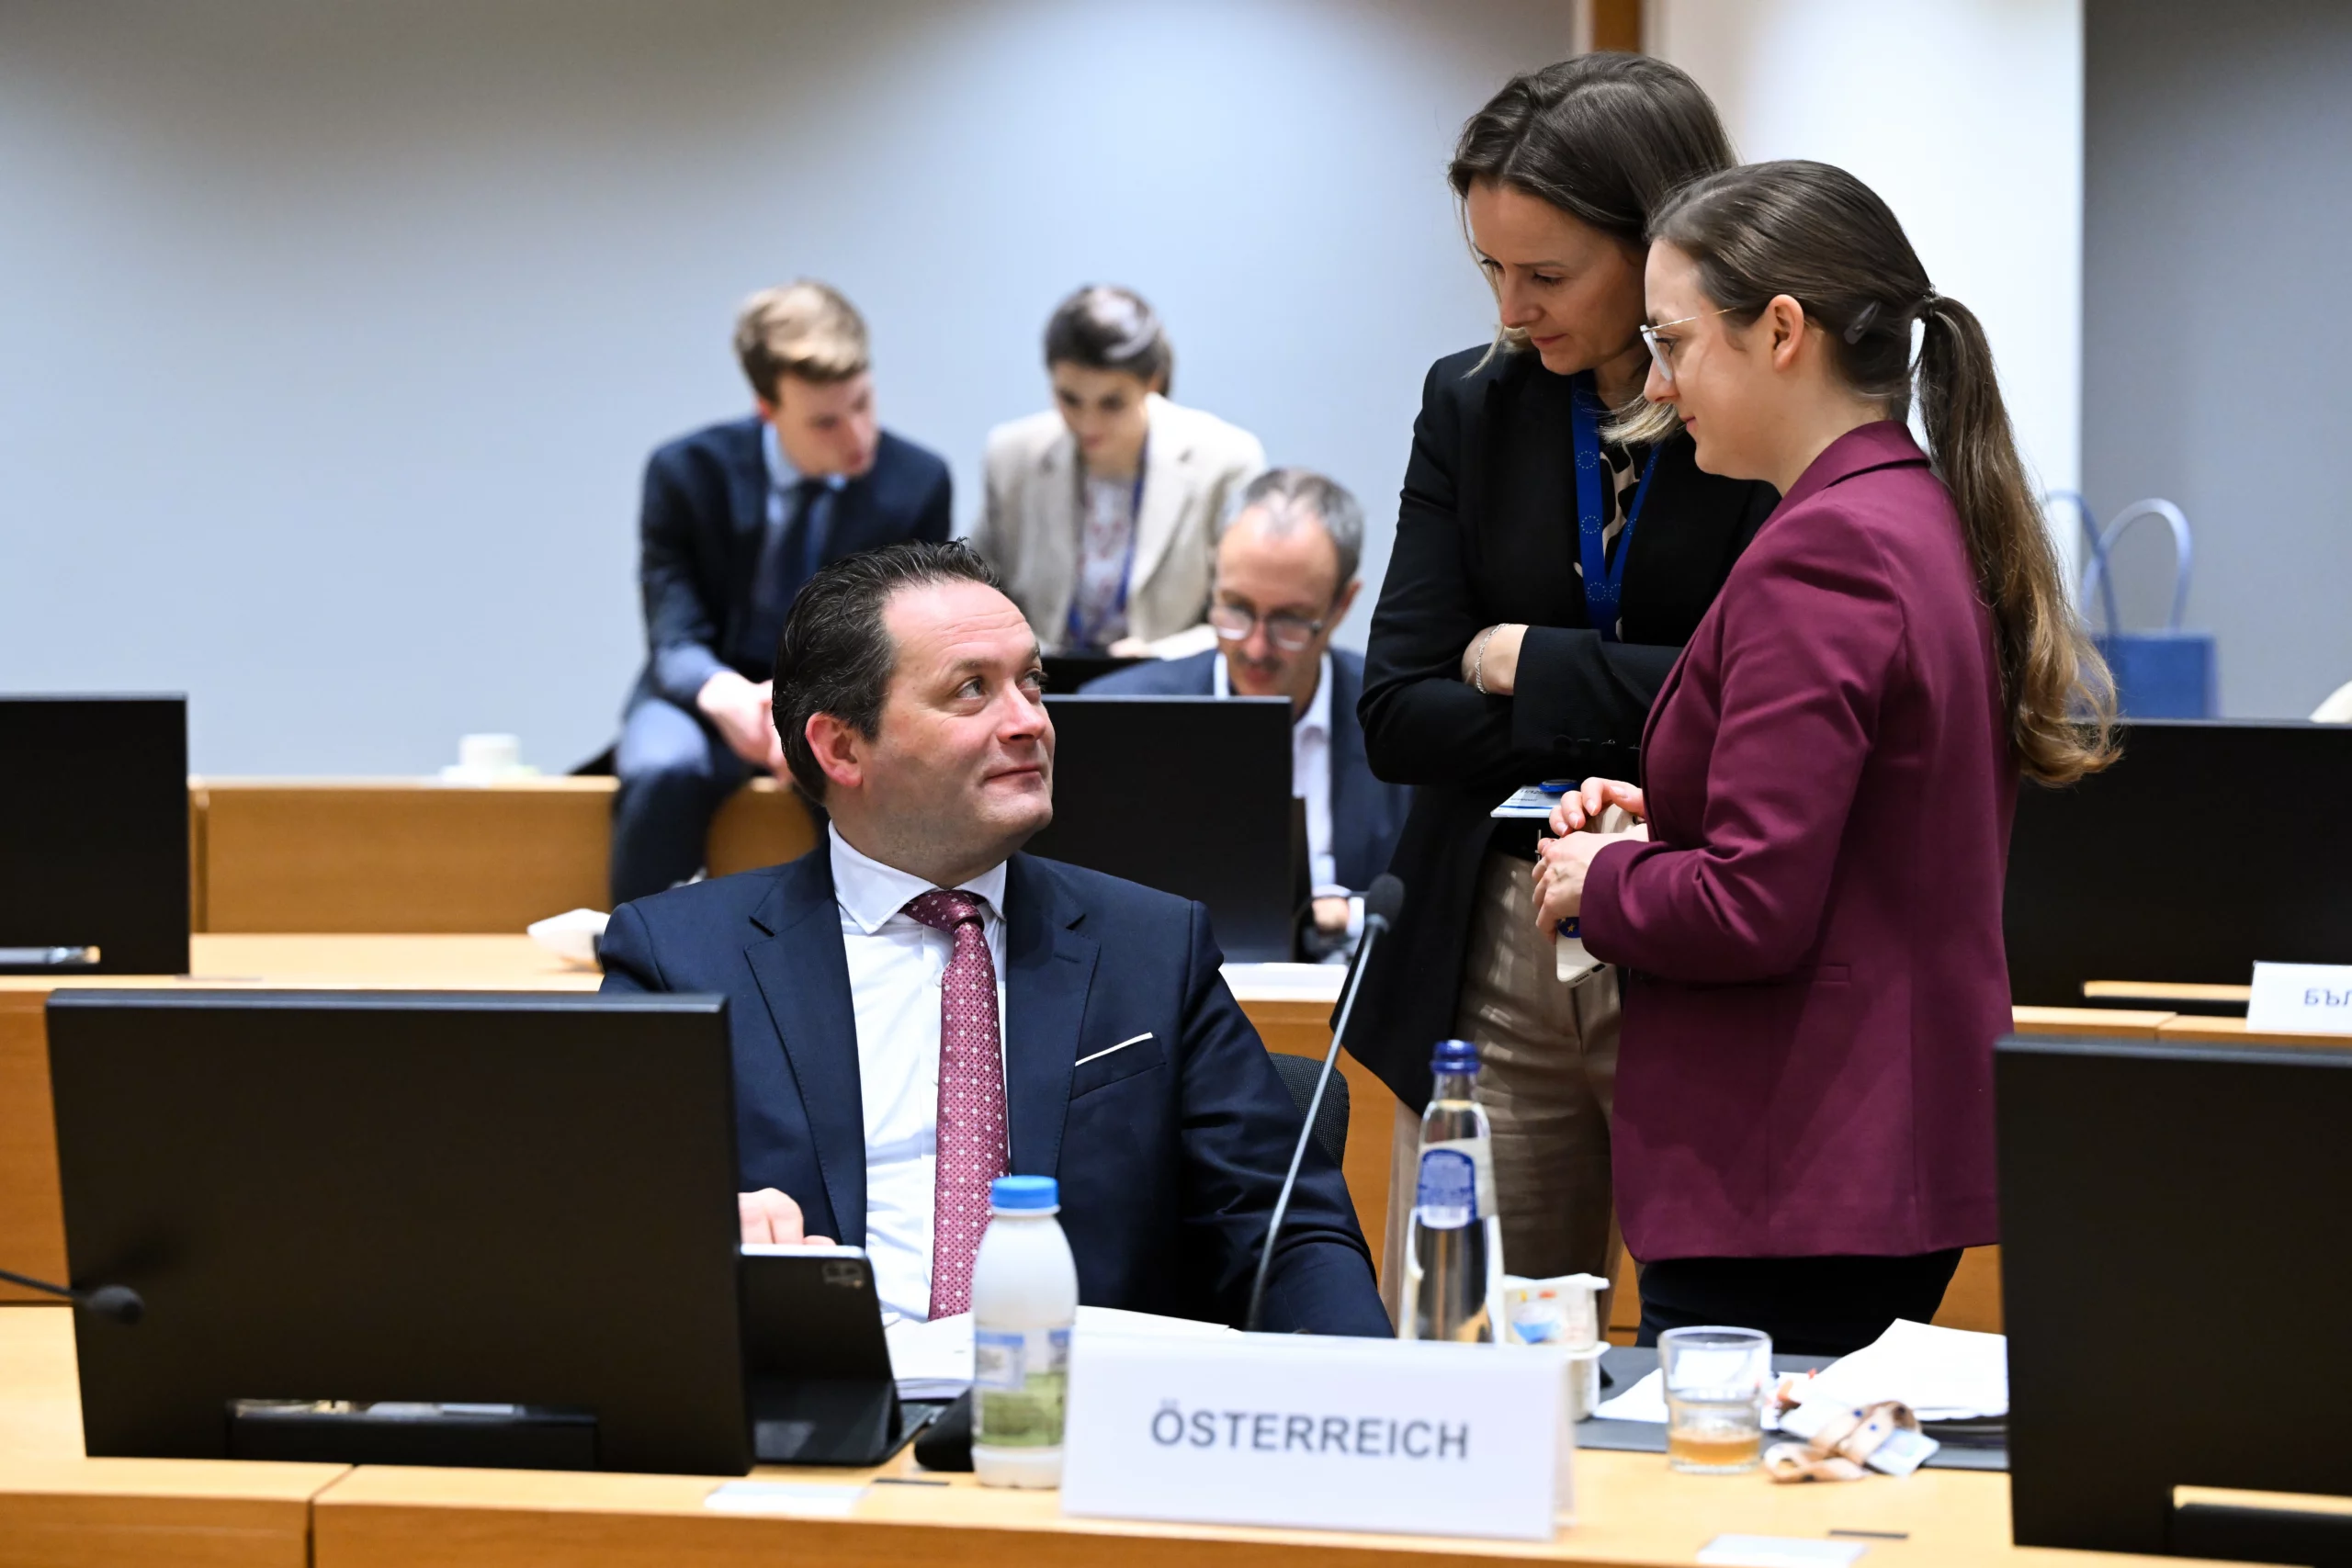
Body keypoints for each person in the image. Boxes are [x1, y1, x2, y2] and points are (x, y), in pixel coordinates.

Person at [1533, 160, 2117, 1354]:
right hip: (1856, 1150)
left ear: (1782, 331)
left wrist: (1606, 878)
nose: (1656, 378)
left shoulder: (1828, 548)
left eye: (1675, 339)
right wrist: (1673, 811)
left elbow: (1754, 906)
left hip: (1799, 1160)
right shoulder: (1906, 509)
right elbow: (1862, 826)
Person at [599, 540, 1388, 1336]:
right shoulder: (679, 960)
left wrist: (1367, 1403)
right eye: (972, 690)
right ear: (840, 746)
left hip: (1078, 1420)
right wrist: (695, 1229)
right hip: (809, 1424)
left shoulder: (1153, 947)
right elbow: (595, 1222)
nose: (1031, 723)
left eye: (1031, 683)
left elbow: (1289, 1228)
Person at [1352, 55, 1780, 1309]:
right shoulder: (1473, 399)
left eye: (1547, 274)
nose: (1512, 307)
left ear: (1658, 246)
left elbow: (1764, 711)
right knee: (1474, 1335)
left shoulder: (1760, 413)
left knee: (1711, 1340)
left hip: (1701, 915)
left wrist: (1526, 658)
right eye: (1490, 268)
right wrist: (1639, 692)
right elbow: (1399, 710)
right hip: (1496, 928)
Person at [610, 281, 953, 905]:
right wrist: (731, 698)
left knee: (872, 779)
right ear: (766, 407)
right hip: (706, 693)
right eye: (825, 421)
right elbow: (675, 636)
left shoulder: (918, 482)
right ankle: (641, 971)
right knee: (663, 768)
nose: (858, 438)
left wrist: (806, 708)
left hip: (844, 696)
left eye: (864, 404)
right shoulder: (685, 473)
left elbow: (904, 643)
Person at [1083, 468, 1408, 959]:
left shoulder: (1403, 722)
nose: (1256, 647)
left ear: (1342, 605)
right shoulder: (1109, 716)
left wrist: (1346, 916)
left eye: (1289, 620)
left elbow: (1442, 903)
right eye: (1235, 609)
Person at [974, 286, 1264, 656]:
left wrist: (1158, 656)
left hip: (1169, 690)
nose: (1087, 422)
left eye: (1112, 403)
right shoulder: (1011, 456)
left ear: (1152, 384)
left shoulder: (1227, 460)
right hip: (1037, 685)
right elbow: (975, 594)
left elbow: (1245, 613)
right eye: (1069, 399)